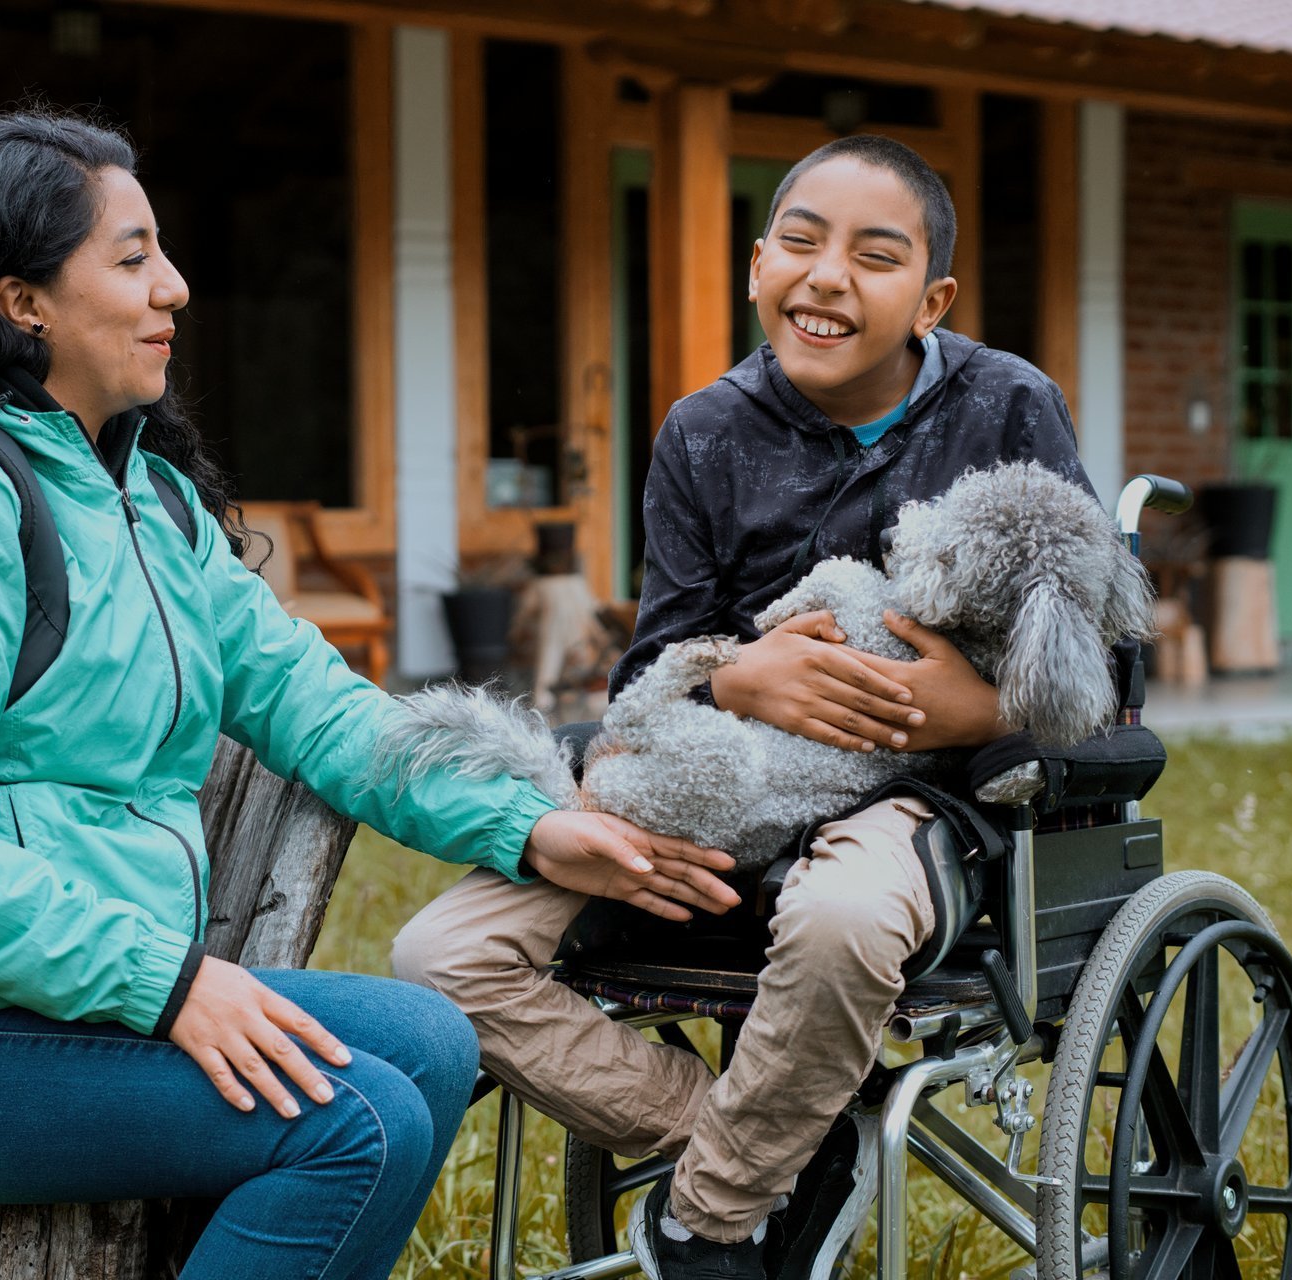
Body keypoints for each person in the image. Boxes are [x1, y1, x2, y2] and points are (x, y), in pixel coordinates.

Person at [0, 110, 740, 1280]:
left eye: (160, 251)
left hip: (65, 1000)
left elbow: (323, 710)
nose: (173, 286)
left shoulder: (147, 502)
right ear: (23, 302)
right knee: (358, 1127)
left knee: (429, 1037)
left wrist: (529, 823)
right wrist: (165, 984)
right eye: (130, 259)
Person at [393, 135, 1097, 1280]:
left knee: (840, 922)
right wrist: (735, 674)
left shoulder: (1008, 406)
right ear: (757, 262)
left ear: (933, 298)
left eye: (875, 257)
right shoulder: (704, 429)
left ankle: (711, 1212)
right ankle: (776, 1139)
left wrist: (969, 705)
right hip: (718, 777)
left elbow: (1098, 665)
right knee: (440, 953)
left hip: (921, 797)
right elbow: (655, 665)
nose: (828, 278)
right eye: (802, 244)